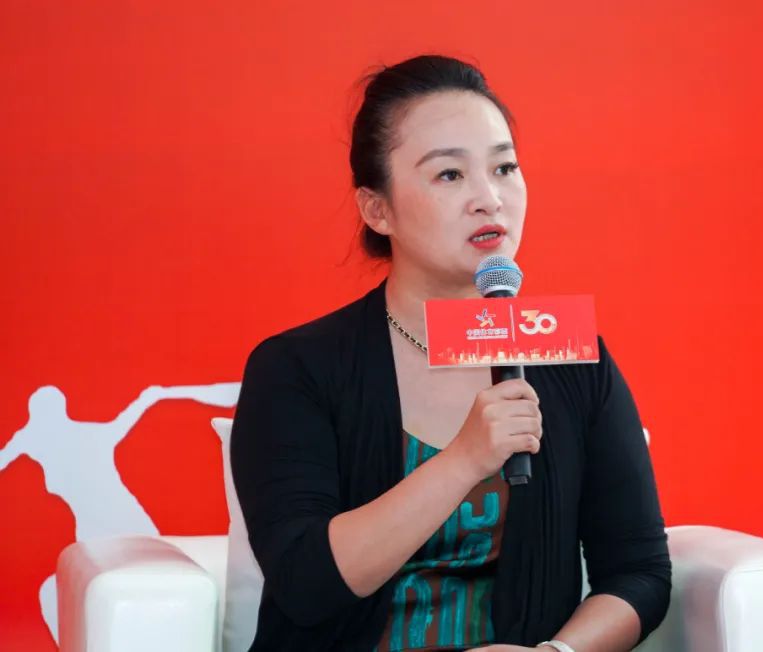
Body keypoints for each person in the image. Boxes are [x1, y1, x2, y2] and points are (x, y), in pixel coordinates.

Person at [230, 54, 671, 652]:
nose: (489, 199)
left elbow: (639, 571)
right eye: (449, 175)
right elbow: (305, 583)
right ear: (377, 209)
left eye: (504, 167)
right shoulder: (296, 368)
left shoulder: (570, 359)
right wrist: (463, 460)